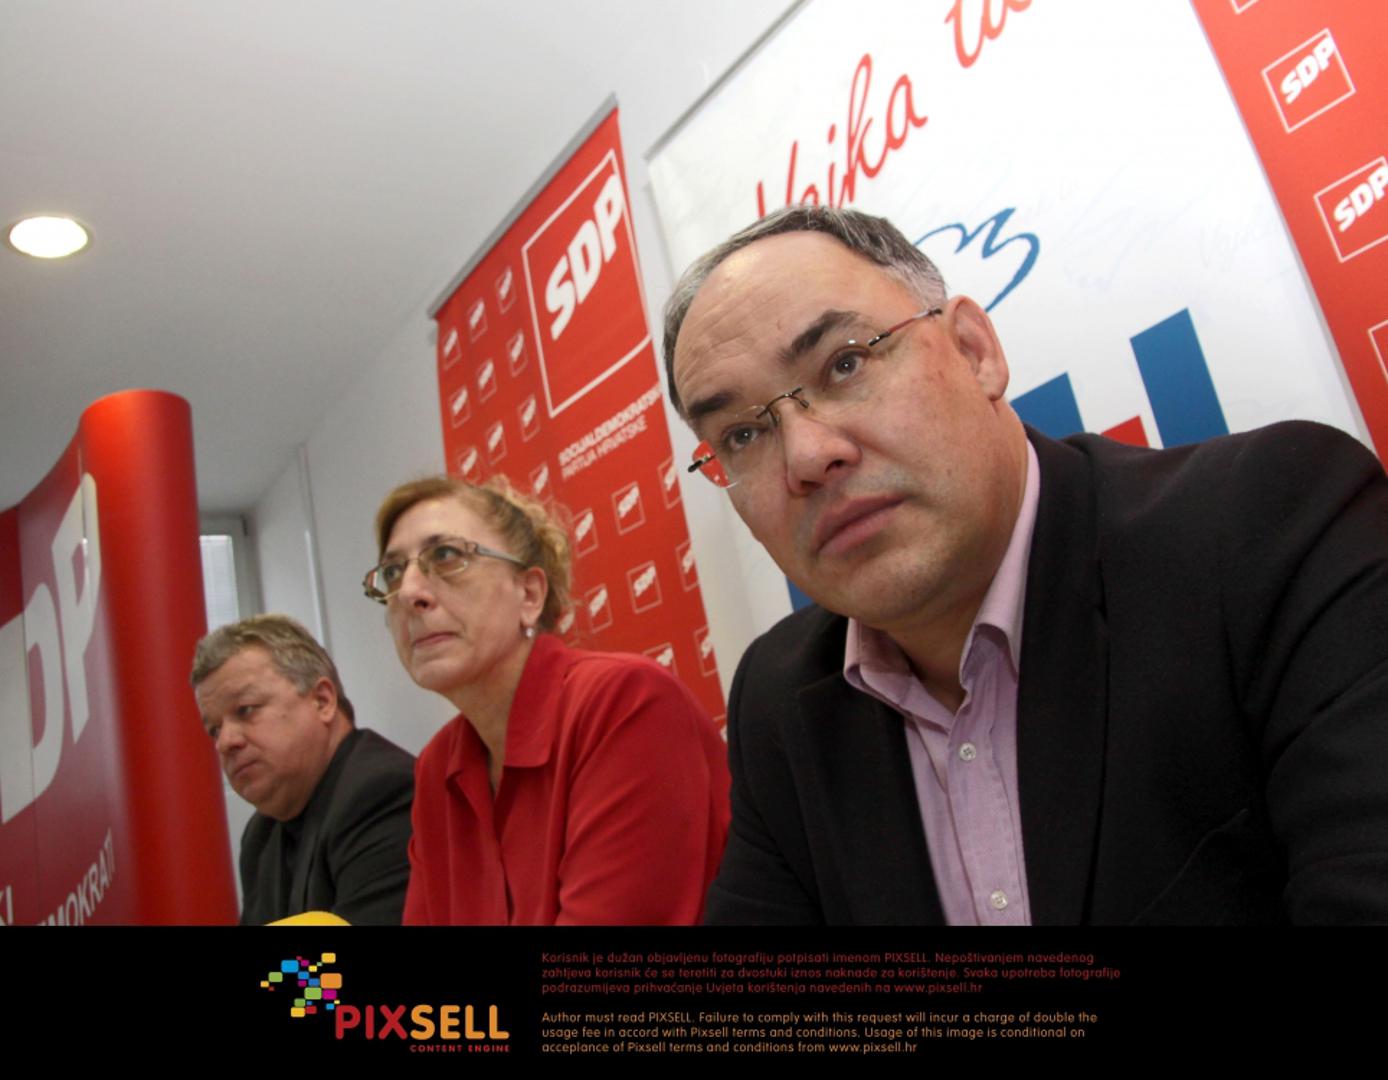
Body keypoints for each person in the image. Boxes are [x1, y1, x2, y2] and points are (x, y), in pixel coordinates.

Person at [663, 204, 1388, 925]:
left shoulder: (1272, 524)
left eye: (845, 363)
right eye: (742, 435)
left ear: (973, 350)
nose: (806, 456)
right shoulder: (776, 698)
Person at [367, 475, 729, 924]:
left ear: (530, 594)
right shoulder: (437, 767)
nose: (408, 593)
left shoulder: (626, 702)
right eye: (392, 572)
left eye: (445, 556)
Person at [192, 614, 414, 925]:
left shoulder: (382, 794)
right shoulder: (260, 834)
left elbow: (347, 950)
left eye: (246, 710)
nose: (225, 742)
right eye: (214, 730)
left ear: (322, 700)